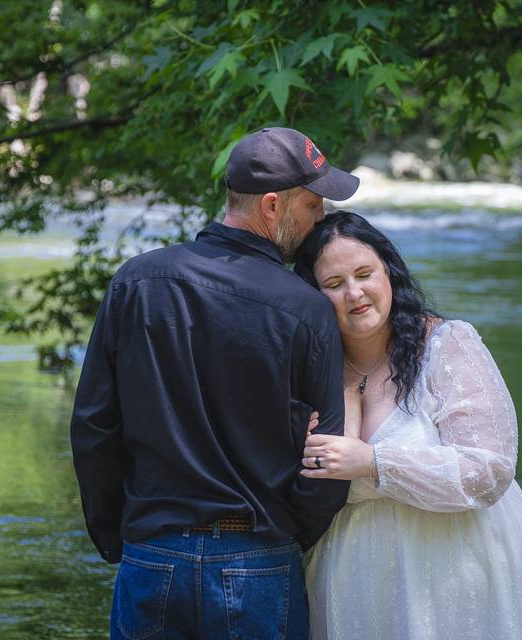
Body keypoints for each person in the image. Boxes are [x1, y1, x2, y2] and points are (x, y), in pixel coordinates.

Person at [70, 127, 359, 639]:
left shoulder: (135, 283)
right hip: (260, 562)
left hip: (151, 552)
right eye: (314, 206)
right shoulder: (306, 308)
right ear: (273, 207)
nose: (322, 220)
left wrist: (119, 536)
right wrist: (288, 535)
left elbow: (94, 427)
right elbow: (326, 459)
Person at [292, 211, 522, 639]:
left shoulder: (448, 345)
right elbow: (314, 484)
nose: (355, 293)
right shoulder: (313, 369)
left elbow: (489, 471)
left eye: (365, 274)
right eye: (334, 284)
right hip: (355, 576)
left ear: (389, 273)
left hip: (456, 570)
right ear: (312, 295)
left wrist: (375, 462)